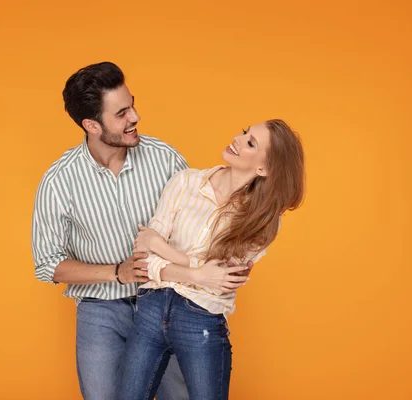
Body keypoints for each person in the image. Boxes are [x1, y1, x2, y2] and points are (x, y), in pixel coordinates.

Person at [33, 62, 250, 400]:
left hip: (170, 301)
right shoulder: (59, 181)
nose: (135, 117)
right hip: (100, 311)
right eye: (121, 113)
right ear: (91, 124)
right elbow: (48, 264)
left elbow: (204, 225)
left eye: (132, 104)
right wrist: (117, 272)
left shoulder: (166, 160)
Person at [118, 119, 305, 400]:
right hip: (150, 311)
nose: (237, 139)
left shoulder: (264, 222)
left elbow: (219, 280)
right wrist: (196, 274)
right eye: (245, 133)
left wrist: (163, 248)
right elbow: (145, 259)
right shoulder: (185, 182)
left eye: (251, 143)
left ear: (263, 168)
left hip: (200, 319)